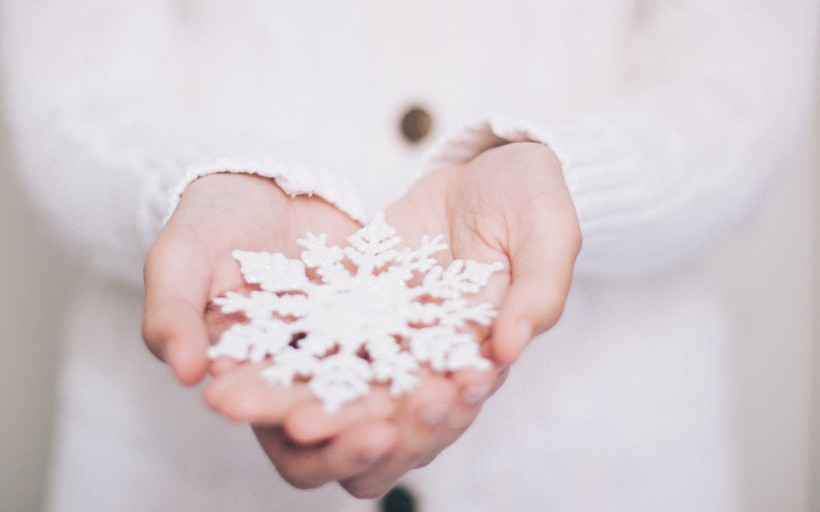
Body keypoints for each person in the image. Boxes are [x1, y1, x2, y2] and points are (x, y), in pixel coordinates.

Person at [1, 1, 817, 511]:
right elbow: (75, 98)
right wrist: (198, 185)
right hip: (177, 460)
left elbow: (743, 97)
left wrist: (567, 179)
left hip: (606, 452)